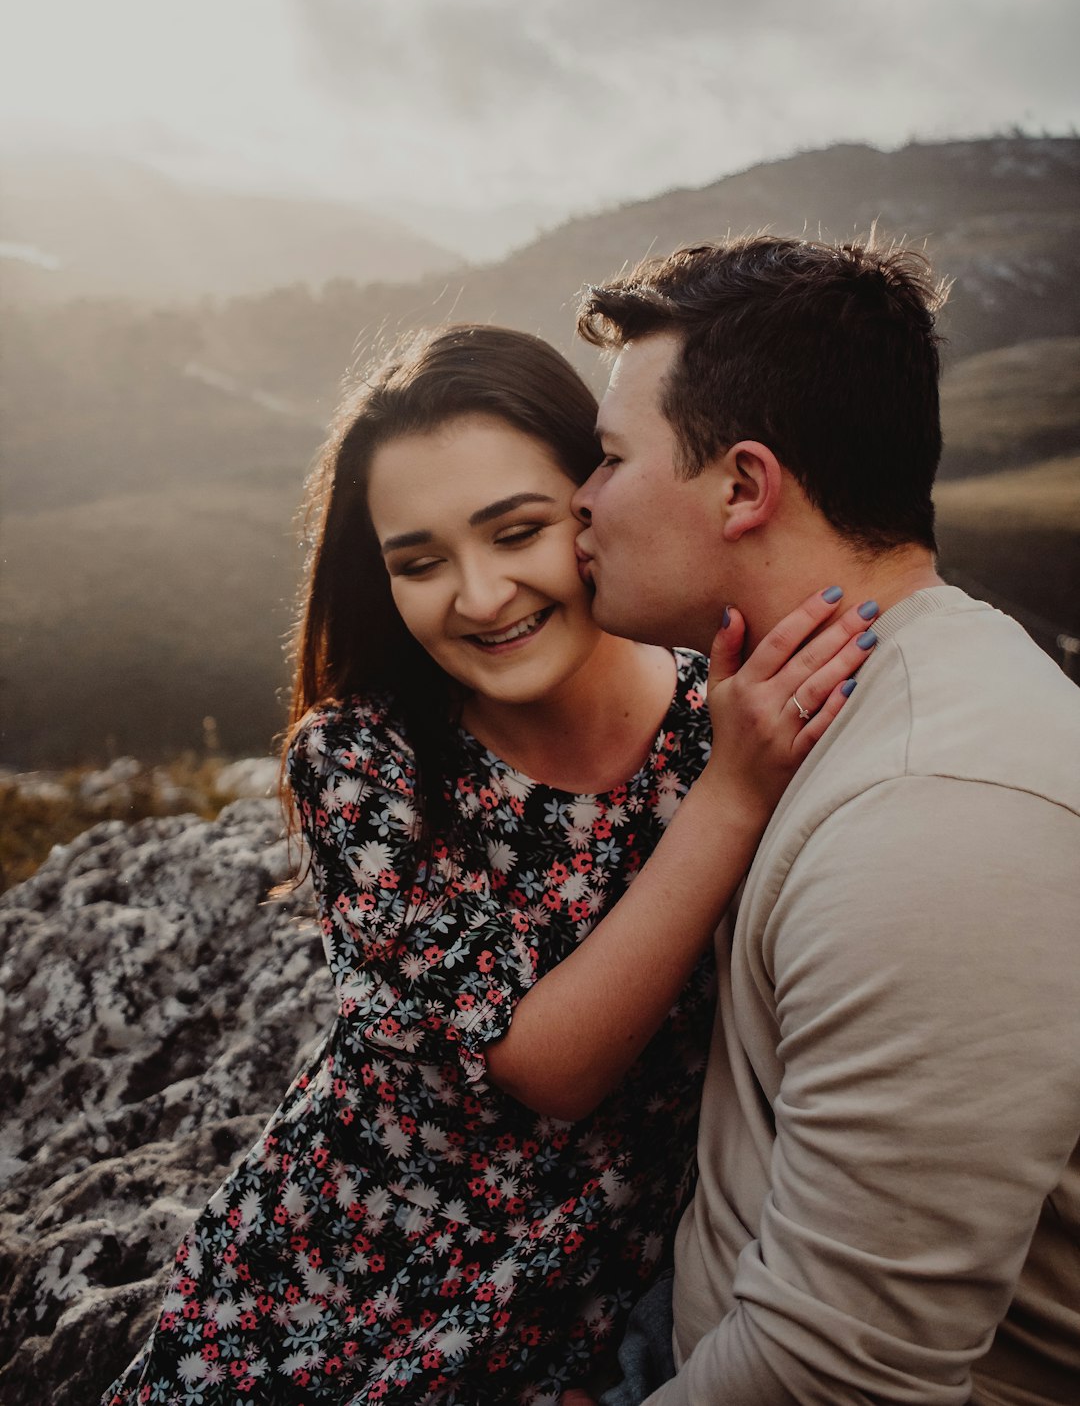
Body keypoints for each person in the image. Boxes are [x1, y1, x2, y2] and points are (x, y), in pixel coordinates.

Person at [103, 326, 873, 1406]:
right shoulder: (364, 760)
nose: (477, 595)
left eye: (518, 532)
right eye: (419, 562)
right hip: (328, 1289)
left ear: (595, 504)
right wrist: (734, 797)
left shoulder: (727, 711)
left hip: (597, 1304)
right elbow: (544, 1068)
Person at [565, 236, 1080, 1406]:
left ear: (745, 486)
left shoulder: (944, 818)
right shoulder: (816, 702)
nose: (580, 504)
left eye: (607, 459)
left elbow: (831, 1375)